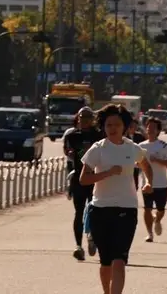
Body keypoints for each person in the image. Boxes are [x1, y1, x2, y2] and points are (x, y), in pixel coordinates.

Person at [80, 103, 153, 294]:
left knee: (119, 261)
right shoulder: (98, 149)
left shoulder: (133, 148)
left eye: (117, 125)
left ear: (125, 127)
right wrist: (107, 173)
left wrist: (148, 183)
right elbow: (84, 179)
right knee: (106, 263)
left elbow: (146, 165)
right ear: (103, 127)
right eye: (109, 125)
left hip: (127, 209)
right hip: (101, 210)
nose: (113, 129)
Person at [63, 107, 102, 261]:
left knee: (94, 211)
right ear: (77, 119)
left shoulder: (99, 135)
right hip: (79, 179)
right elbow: (68, 153)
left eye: (87, 117)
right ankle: (78, 246)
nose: (84, 120)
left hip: (95, 178)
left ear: (92, 119)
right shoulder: (72, 136)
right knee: (79, 212)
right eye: (81, 117)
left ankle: (92, 237)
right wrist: (71, 154)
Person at [139, 117, 167, 242]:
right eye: (148, 127)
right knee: (147, 208)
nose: (150, 129)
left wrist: (158, 160)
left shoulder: (163, 146)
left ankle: (157, 220)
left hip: (161, 184)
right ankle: (150, 233)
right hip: (147, 184)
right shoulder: (140, 146)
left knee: (161, 209)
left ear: (158, 130)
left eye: (153, 127)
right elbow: (135, 163)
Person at [127, 118, 145, 190]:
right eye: (132, 126)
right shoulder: (123, 136)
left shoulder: (139, 136)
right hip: (126, 162)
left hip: (136, 163)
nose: (134, 128)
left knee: (135, 184)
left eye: (135, 126)